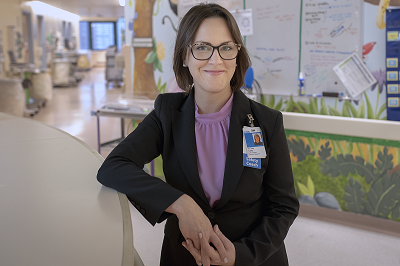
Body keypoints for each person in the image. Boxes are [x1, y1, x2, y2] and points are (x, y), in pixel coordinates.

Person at [97, 3, 299, 266]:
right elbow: (113, 166)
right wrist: (180, 204)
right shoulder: (167, 113)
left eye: (226, 48)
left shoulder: (266, 122)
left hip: (253, 258)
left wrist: (241, 255)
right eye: (202, 48)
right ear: (185, 56)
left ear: (237, 55)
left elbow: (283, 206)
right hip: (183, 255)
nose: (216, 60)